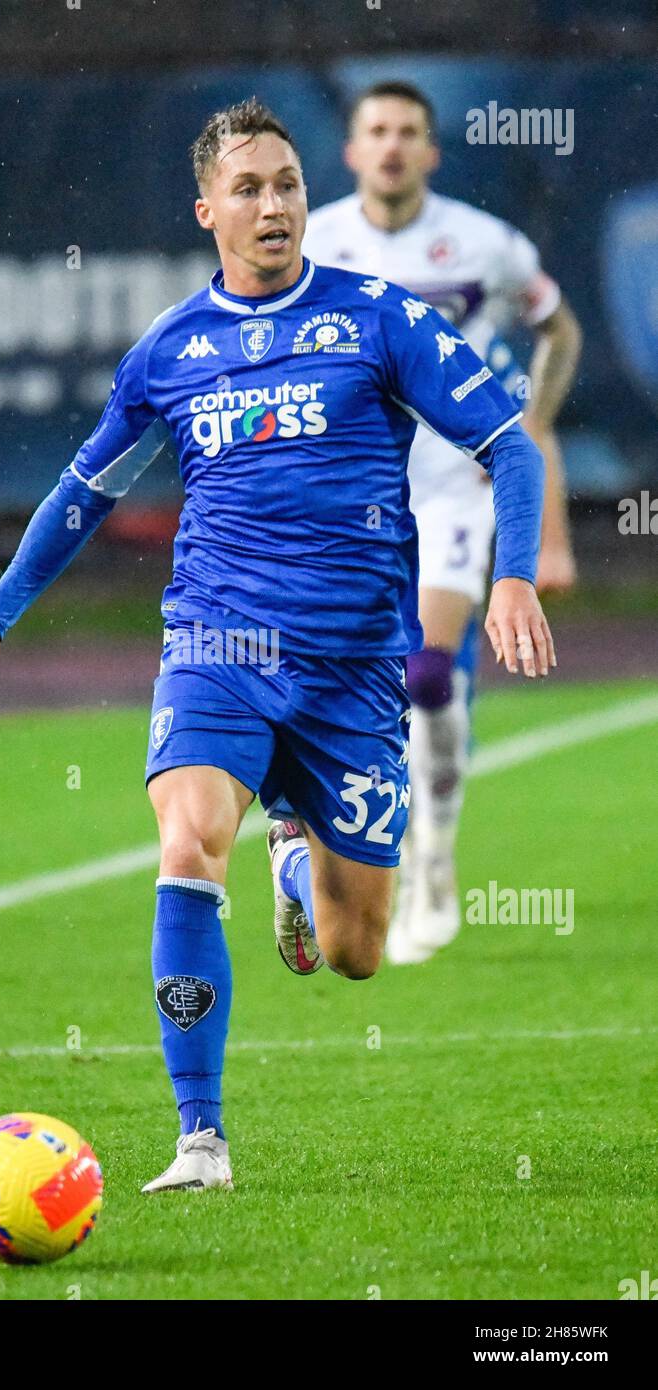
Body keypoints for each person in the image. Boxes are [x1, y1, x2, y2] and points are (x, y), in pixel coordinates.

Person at [0, 99, 554, 1193]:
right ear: (206, 210)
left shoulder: (377, 319)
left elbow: (506, 445)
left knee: (356, 950)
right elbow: (81, 495)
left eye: (285, 184)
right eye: (248, 188)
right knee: (182, 849)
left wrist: (511, 572)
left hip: (353, 668)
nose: (273, 204)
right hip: (214, 639)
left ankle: (295, 846)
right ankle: (200, 1139)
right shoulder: (171, 350)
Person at [302, 81, 581, 964]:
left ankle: (431, 861)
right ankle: (366, 842)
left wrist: (529, 422)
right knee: (359, 682)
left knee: (425, 671)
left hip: (452, 485)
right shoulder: (316, 243)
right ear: (350, 151)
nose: (391, 146)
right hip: (356, 491)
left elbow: (559, 331)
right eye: (375, 131)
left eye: (408, 133)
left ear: (431, 151)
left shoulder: (487, 245)